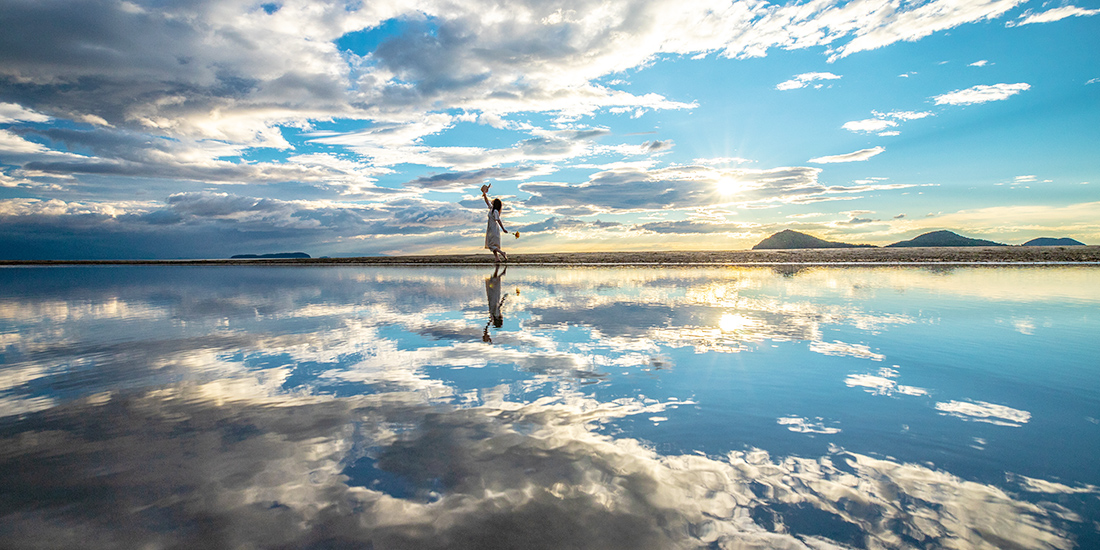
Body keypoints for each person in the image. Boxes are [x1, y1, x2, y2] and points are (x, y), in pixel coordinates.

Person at [481, 183, 513, 263]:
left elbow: (498, 220)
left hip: (494, 228)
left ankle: (502, 253)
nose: (492, 202)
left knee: (491, 244)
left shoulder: (495, 211)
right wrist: (484, 193)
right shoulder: (491, 208)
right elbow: (486, 201)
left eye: (494, 201)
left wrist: (503, 229)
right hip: (490, 228)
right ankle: (497, 259)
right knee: (491, 244)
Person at [483, 264, 507, 343]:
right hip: (492, 299)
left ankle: (499, 272)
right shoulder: (493, 315)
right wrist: (487, 335)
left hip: (494, 298)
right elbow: (487, 324)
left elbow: (498, 306)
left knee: (495, 285)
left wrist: (503, 299)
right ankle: (498, 272)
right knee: (494, 284)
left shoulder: (495, 315)